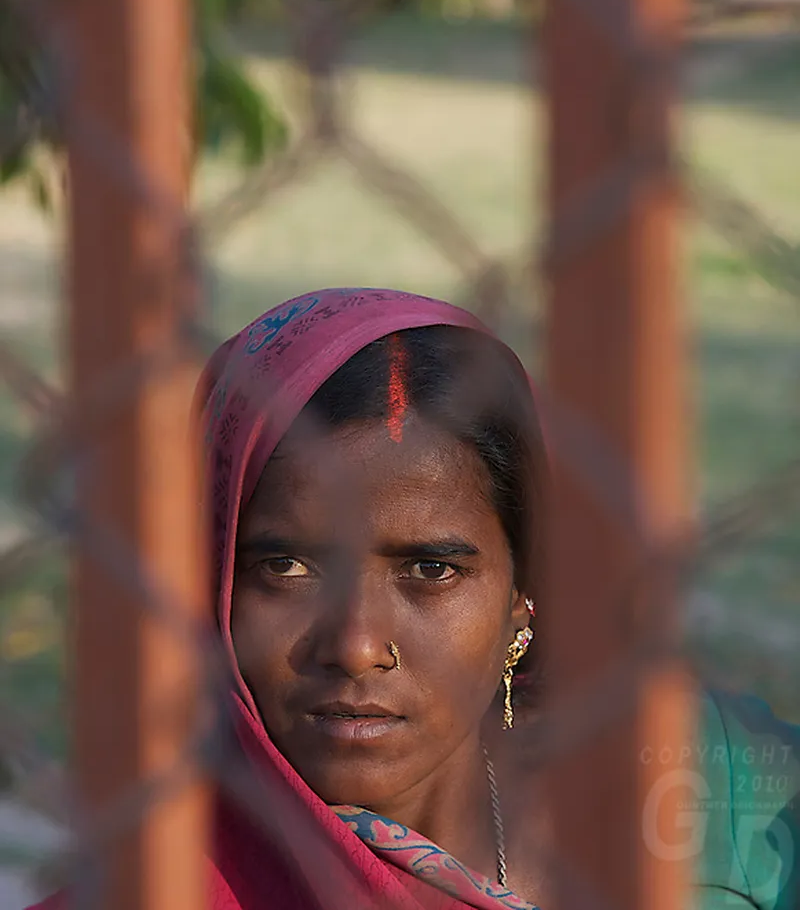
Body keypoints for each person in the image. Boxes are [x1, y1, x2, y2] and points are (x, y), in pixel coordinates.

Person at [28, 288, 798, 910]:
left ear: (524, 597)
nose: (356, 644)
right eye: (286, 566)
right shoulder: (165, 883)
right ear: (210, 579)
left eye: (430, 570)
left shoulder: (699, 782)